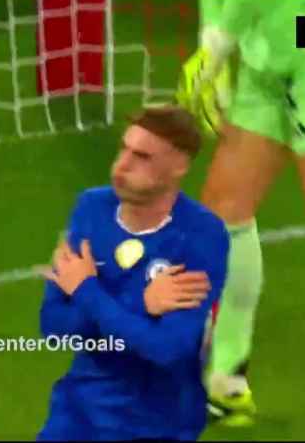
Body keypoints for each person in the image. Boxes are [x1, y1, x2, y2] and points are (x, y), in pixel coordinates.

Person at [176, 0, 305, 426]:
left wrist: (219, 43)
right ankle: (226, 383)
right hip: (267, 53)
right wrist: (213, 40)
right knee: (224, 215)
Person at [37, 105, 230, 441]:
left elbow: (166, 349)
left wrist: (86, 291)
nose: (122, 165)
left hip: (156, 423)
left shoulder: (200, 236)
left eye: (141, 157)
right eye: (124, 149)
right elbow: (54, 326)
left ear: (179, 166)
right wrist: (141, 305)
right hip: (78, 412)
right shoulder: (91, 208)